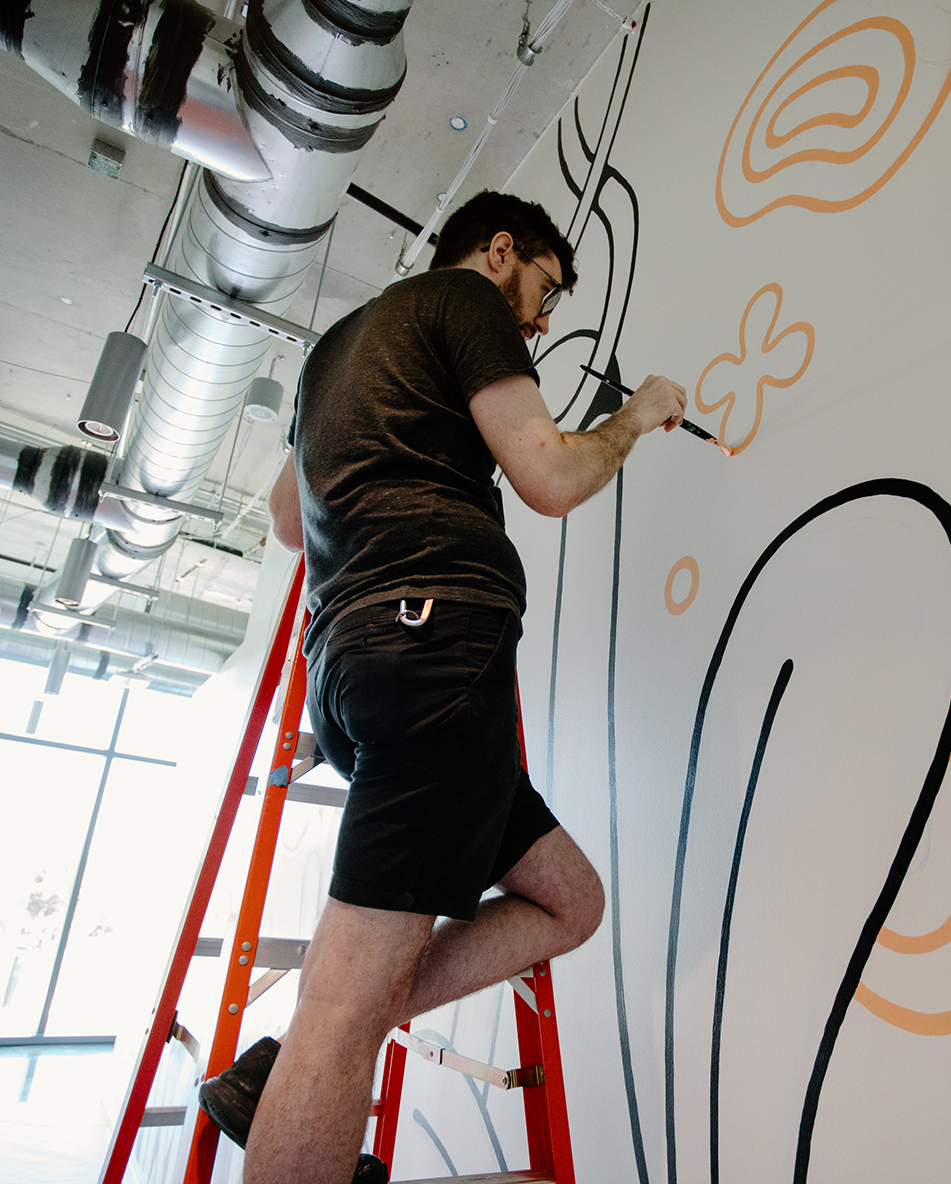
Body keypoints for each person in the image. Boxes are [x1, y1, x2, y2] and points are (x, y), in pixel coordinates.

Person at [202, 190, 686, 1184]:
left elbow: (291, 520)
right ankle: (312, 1061)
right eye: (542, 289)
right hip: (433, 656)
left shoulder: (335, 348)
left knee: (569, 900)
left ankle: (294, 1067)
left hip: (352, 674)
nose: (539, 321)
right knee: (342, 1008)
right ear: (498, 250)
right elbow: (548, 477)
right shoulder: (464, 301)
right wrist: (633, 418)